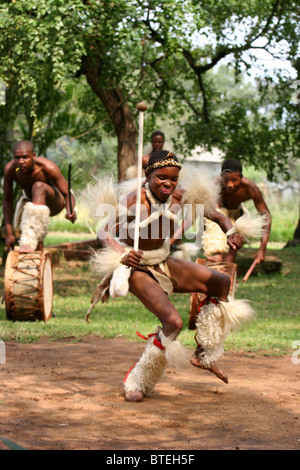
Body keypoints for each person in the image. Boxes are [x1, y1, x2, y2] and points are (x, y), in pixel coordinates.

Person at [86, 150, 253, 402]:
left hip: (162, 259)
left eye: (173, 179)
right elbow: (103, 232)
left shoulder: (178, 196)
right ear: (148, 175)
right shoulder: (134, 201)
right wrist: (122, 254)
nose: (168, 183)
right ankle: (139, 380)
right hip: (137, 266)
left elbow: (216, 215)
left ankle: (204, 353)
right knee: (173, 322)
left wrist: (232, 233)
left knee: (221, 282)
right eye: (161, 177)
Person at [3, 140, 77, 253]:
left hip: (55, 203)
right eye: (17, 157)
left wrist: (70, 211)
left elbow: (67, 193)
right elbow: (7, 201)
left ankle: (29, 241)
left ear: (33, 156)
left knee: (38, 187)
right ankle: (38, 246)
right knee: (28, 199)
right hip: (32, 203)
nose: (20, 161)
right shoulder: (11, 170)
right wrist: (9, 233)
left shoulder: (47, 167)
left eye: (25, 157)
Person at [203, 159, 271, 264]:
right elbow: (210, 210)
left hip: (237, 215)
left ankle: (227, 273)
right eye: (226, 180)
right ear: (221, 177)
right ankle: (217, 255)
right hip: (218, 215)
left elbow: (266, 217)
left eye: (234, 180)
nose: (230, 185)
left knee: (233, 245)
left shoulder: (250, 188)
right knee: (218, 216)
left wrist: (262, 249)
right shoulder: (214, 185)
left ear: (241, 177)